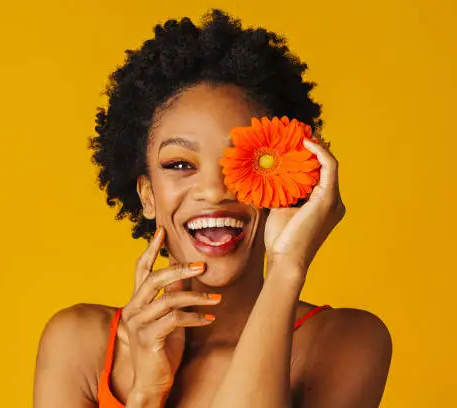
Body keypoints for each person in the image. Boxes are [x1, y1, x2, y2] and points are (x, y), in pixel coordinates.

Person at [33, 8, 392, 408]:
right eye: (180, 165)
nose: (214, 190)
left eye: (245, 160)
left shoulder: (346, 342)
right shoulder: (77, 344)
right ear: (148, 195)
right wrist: (146, 395)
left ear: (281, 177)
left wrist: (287, 268)